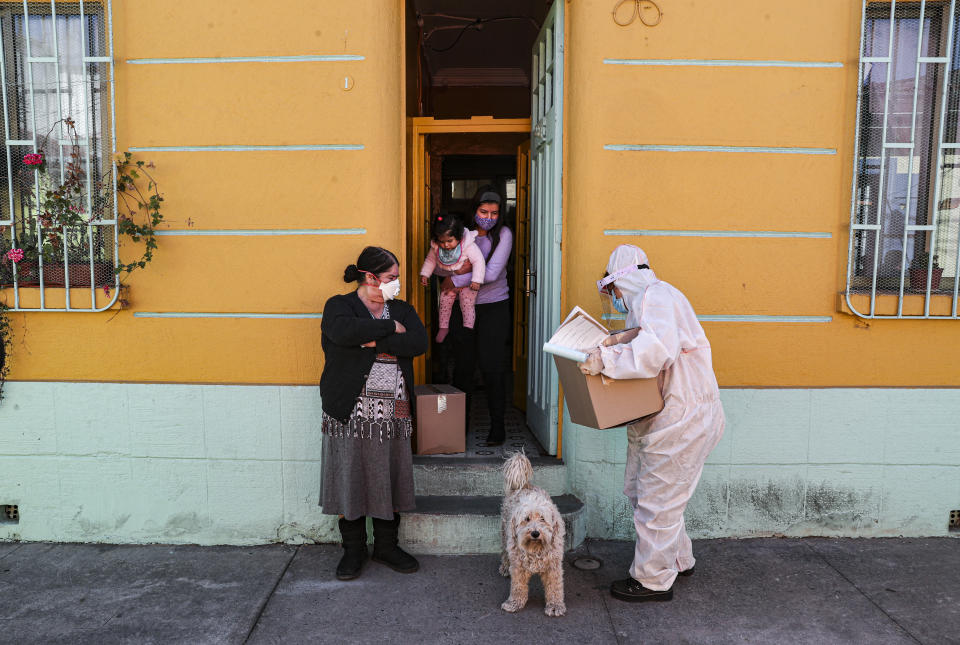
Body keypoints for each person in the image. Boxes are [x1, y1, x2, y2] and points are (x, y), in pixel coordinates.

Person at [579, 244, 725, 602]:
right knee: (651, 494)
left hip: (680, 419)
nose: (612, 298)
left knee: (657, 501)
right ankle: (679, 559)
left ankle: (652, 580)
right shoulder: (655, 299)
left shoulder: (654, 297)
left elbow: (655, 352)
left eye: (611, 291)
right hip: (676, 416)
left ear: (620, 282)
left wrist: (605, 359)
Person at [319, 246, 428, 581]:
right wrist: (388, 329)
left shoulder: (403, 310)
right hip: (348, 408)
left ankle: (386, 545)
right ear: (369, 277)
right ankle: (353, 550)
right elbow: (341, 334)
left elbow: (418, 343)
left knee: (390, 475)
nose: (396, 284)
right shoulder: (339, 306)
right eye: (390, 278)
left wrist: (372, 340)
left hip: (393, 412)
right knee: (350, 474)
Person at [443, 186, 514, 447]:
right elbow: (441, 265)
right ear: (474, 211)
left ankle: (498, 427)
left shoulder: (504, 234)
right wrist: (452, 274)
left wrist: (456, 278)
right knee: (463, 368)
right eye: (484, 211)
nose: (489, 217)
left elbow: (493, 273)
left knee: (493, 369)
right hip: (463, 308)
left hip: (494, 308)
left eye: (495, 213)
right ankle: (457, 427)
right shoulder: (461, 234)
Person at [419, 213, 486, 344]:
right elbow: (430, 261)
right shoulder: (437, 248)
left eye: (450, 241)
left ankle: (468, 325)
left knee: (467, 303)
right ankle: (443, 327)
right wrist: (425, 274)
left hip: (467, 284)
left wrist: (476, 280)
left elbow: (479, 261)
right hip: (450, 283)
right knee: (444, 301)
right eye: (442, 241)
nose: (446, 245)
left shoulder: (468, 245)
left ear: (459, 237)